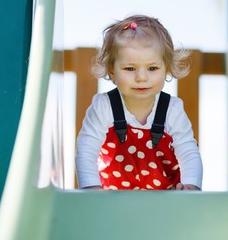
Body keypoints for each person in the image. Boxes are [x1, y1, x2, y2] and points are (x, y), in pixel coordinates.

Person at [75, 14, 202, 190]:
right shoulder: (104, 107)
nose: (141, 77)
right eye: (130, 68)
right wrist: (91, 189)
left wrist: (191, 186)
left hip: (166, 199)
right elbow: (86, 150)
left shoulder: (172, 109)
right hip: (113, 199)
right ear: (112, 71)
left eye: (152, 68)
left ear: (166, 69)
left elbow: (188, 152)